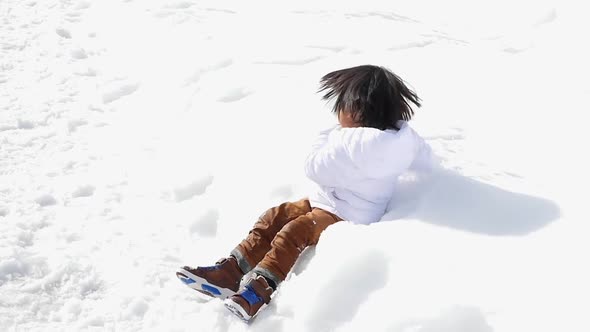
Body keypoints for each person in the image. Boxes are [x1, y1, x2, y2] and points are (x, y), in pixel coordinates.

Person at [176, 65, 437, 321]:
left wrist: (329, 137)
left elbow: (314, 167)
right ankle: (230, 271)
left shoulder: (347, 143)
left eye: (341, 107)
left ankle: (258, 290)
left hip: (346, 215)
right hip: (334, 203)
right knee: (278, 216)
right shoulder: (402, 140)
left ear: (355, 111)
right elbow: (428, 161)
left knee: (294, 231)